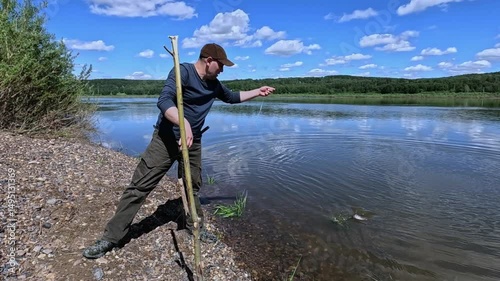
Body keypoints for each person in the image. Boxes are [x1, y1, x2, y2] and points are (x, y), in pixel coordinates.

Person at [82, 43, 275, 259]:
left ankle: (194, 227)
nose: (222, 70)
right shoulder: (182, 71)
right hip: (165, 140)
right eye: (221, 65)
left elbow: (232, 97)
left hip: (193, 142)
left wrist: (258, 92)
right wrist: (183, 124)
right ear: (209, 60)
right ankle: (111, 238)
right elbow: (164, 101)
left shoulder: (214, 84)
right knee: (139, 187)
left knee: (192, 185)